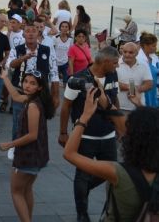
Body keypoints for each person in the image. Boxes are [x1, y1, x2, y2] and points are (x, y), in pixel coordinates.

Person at [63, 92, 158, 222]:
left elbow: (69, 154)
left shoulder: (117, 172)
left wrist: (84, 117)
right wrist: (139, 106)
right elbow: (150, 129)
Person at [59, 47, 121, 222]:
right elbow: (66, 107)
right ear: (104, 62)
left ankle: (83, 190)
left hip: (108, 135)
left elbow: (114, 98)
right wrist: (63, 132)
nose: (117, 66)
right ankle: (82, 214)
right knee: (82, 174)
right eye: (115, 63)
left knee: (110, 173)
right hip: (85, 136)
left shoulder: (112, 75)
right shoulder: (77, 79)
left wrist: (117, 124)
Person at [0, 68, 55, 222]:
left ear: (40, 87)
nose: (27, 85)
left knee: (16, 191)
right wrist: (5, 77)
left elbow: (32, 135)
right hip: (37, 155)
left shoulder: (32, 106)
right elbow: (15, 96)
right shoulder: (33, 99)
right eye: (25, 81)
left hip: (28, 155)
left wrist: (9, 144)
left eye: (32, 83)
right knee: (26, 189)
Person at [6, 23, 59, 138]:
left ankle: (36, 150)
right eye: (27, 31)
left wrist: (55, 95)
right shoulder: (16, 49)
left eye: (33, 31)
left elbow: (54, 73)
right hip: (20, 92)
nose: (30, 33)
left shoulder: (48, 50)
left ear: (38, 33)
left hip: (40, 94)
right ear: (23, 34)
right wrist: (22, 58)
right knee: (18, 122)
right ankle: (15, 148)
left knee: (39, 123)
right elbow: (10, 65)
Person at [116, 43, 152, 113]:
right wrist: (131, 87)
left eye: (130, 52)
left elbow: (149, 84)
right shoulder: (116, 63)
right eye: (125, 52)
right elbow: (112, 83)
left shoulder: (143, 64)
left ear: (137, 53)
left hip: (138, 107)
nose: (127, 54)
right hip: (119, 107)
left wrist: (134, 89)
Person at [137, 32, 158, 107]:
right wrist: (133, 90)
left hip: (153, 93)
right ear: (145, 46)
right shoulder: (138, 59)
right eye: (153, 46)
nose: (156, 48)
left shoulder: (154, 58)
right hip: (142, 93)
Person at [54, 21, 74, 85]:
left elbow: (71, 54)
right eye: (62, 26)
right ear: (60, 28)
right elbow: (52, 51)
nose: (64, 28)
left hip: (65, 64)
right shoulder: (55, 38)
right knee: (54, 82)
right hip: (55, 63)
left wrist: (70, 66)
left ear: (68, 29)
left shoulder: (70, 39)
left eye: (66, 27)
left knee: (66, 82)